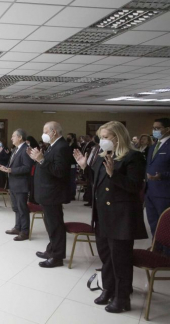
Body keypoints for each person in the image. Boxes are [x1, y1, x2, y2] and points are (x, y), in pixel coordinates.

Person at [74, 121, 147, 314]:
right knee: (106, 256)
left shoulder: (133, 157)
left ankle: (122, 297)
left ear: (118, 137)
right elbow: (96, 182)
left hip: (121, 216)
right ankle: (108, 288)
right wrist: (85, 167)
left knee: (120, 259)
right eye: (102, 137)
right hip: (103, 215)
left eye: (107, 137)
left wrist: (114, 174)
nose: (103, 140)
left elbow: (134, 187)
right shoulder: (101, 155)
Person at [28, 121, 72, 268]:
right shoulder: (53, 146)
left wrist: (41, 160)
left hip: (53, 193)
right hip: (47, 192)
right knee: (50, 224)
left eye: (45, 131)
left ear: (54, 132)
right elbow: (47, 165)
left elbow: (59, 171)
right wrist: (38, 159)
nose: (43, 134)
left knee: (55, 225)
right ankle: (51, 249)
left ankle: (57, 256)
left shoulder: (62, 147)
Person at [0, 129, 33, 241]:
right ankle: (17, 227)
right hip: (14, 183)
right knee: (16, 207)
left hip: (21, 184)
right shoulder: (16, 149)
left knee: (22, 208)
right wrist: (7, 168)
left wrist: (11, 170)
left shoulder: (25, 149)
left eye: (13, 136)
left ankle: (24, 231)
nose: (11, 138)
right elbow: (13, 165)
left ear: (20, 137)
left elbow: (27, 167)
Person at [145, 117, 170, 238]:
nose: (154, 130)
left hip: (164, 192)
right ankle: (156, 250)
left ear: (167, 129)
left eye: (158, 128)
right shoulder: (153, 146)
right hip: (150, 191)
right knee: (153, 223)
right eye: (153, 128)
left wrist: (162, 175)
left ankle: (166, 254)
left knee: (165, 226)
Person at [26, 136, 40, 204]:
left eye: (28, 142)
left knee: (33, 183)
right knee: (31, 183)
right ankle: (31, 198)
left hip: (35, 167)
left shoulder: (36, 148)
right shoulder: (28, 148)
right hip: (31, 167)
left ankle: (33, 199)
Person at [67, 133, 80, 200]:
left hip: (72, 164)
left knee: (72, 180)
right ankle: (68, 193)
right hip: (67, 164)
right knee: (67, 180)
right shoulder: (67, 144)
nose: (67, 138)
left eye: (69, 137)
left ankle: (72, 194)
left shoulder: (75, 145)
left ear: (72, 138)